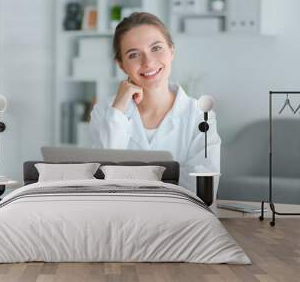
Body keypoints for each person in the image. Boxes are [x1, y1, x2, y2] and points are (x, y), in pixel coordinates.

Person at [90, 12, 221, 200]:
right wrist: (118, 110)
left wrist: (133, 182)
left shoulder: (200, 115)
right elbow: (102, 178)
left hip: (179, 218)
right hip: (120, 216)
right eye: (134, 54)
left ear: (171, 51)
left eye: (156, 48)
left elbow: (203, 188)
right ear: (121, 65)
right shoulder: (105, 111)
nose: (148, 62)